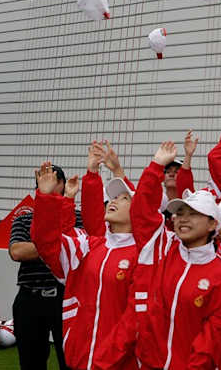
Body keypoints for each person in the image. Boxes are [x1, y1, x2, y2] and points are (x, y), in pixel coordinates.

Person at [125, 141, 221, 370]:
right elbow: (142, 211)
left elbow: (216, 335)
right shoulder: (163, 248)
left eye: (194, 214)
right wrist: (156, 166)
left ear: (212, 225)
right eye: (180, 212)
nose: (183, 219)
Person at [31, 143, 137, 370]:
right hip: (79, 361)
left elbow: (135, 322)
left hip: (119, 364)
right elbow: (47, 244)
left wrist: (105, 360)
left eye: (124, 198)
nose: (114, 201)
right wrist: (46, 197)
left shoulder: (145, 255)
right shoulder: (89, 246)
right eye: (113, 197)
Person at [9, 163, 80, 370]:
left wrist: (47, 243)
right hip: (29, 299)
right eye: (43, 180)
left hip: (66, 298)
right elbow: (17, 251)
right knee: (31, 362)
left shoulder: (78, 218)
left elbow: (82, 251)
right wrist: (55, 244)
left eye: (54, 180)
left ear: (65, 185)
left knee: (71, 361)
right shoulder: (24, 219)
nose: (48, 183)